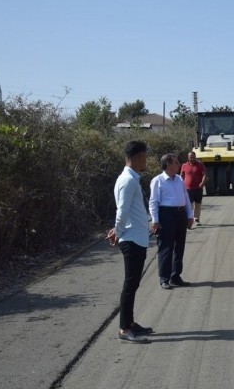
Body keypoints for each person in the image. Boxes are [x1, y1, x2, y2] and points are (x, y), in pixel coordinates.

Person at [106, 140, 153, 344]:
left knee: (133, 284)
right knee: (130, 284)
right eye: (144, 158)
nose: (145, 161)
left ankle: (131, 323)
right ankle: (124, 329)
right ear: (137, 158)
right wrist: (118, 231)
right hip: (131, 240)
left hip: (137, 238)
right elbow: (122, 211)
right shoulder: (128, 180)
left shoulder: (131, 179)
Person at [149, 153, 194, 289]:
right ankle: (164, 278)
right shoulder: (158, 180)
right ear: (168, 165)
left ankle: (176, 276)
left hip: (180, 215)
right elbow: (153, 202)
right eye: (175, 162)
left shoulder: (179, 179)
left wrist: (190, 215)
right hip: (166, 215)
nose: (178, 164)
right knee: (166, 247)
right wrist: (155, 220)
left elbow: (185, 197)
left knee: (179, 247)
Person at [180, 151, 206, 224]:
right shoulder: (184, 165)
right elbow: (181, 176)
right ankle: (189, 219)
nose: (192, 158)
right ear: (188, 158)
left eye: (193, 157)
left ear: (195, 157)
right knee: (189, 205)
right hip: (188, 189)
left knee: (198, 204)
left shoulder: (200, 165)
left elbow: (204, 175)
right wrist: (180, 185)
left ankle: (196, 218)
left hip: (198, 189)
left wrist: (202, 182)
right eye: (190, 157)